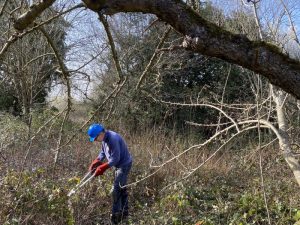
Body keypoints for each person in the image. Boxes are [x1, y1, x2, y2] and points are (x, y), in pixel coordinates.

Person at [87, 123, 132, 224]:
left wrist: (102, 167)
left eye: (95, 138)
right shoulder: (104, 139)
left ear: (100, 134)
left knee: (116, 190)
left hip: (123, 165)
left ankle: (115, 217)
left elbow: (115, 159)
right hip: (118, 165)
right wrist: (97, 161)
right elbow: (103, 152)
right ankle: (125, 212)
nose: (95, 140)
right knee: (122, 188)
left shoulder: (113, 139)